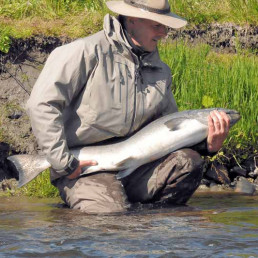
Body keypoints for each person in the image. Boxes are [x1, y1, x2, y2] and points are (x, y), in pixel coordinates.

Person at [27, 0, 230, 213]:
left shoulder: (161, 71)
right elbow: (41, 105)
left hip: (137, 168)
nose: (164, 33)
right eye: (157, 25)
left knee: (189, 163)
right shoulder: (84, 52)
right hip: (85, 168)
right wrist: (63, 163)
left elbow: (167, 135)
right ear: (132, 20)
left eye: (165, 26)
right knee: (112, 221)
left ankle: (148, 229)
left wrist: (207, 146)